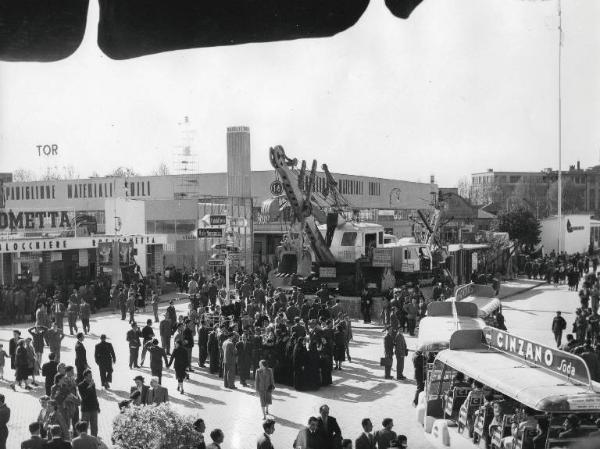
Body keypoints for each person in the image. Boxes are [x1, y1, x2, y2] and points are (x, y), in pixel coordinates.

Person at [77, 370, 100, 437]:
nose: (91, 377)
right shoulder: (80, 385)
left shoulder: (93, 384)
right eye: (89, 376)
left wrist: (97, 406)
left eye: (91, 376)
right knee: (84, 426)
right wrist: (89, 386)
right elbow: (84, 397)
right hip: (86, 409)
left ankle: (94, 439)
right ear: (85, 377)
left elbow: (94, 396)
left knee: (94, 426)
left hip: (93, 408)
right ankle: (84, 439)